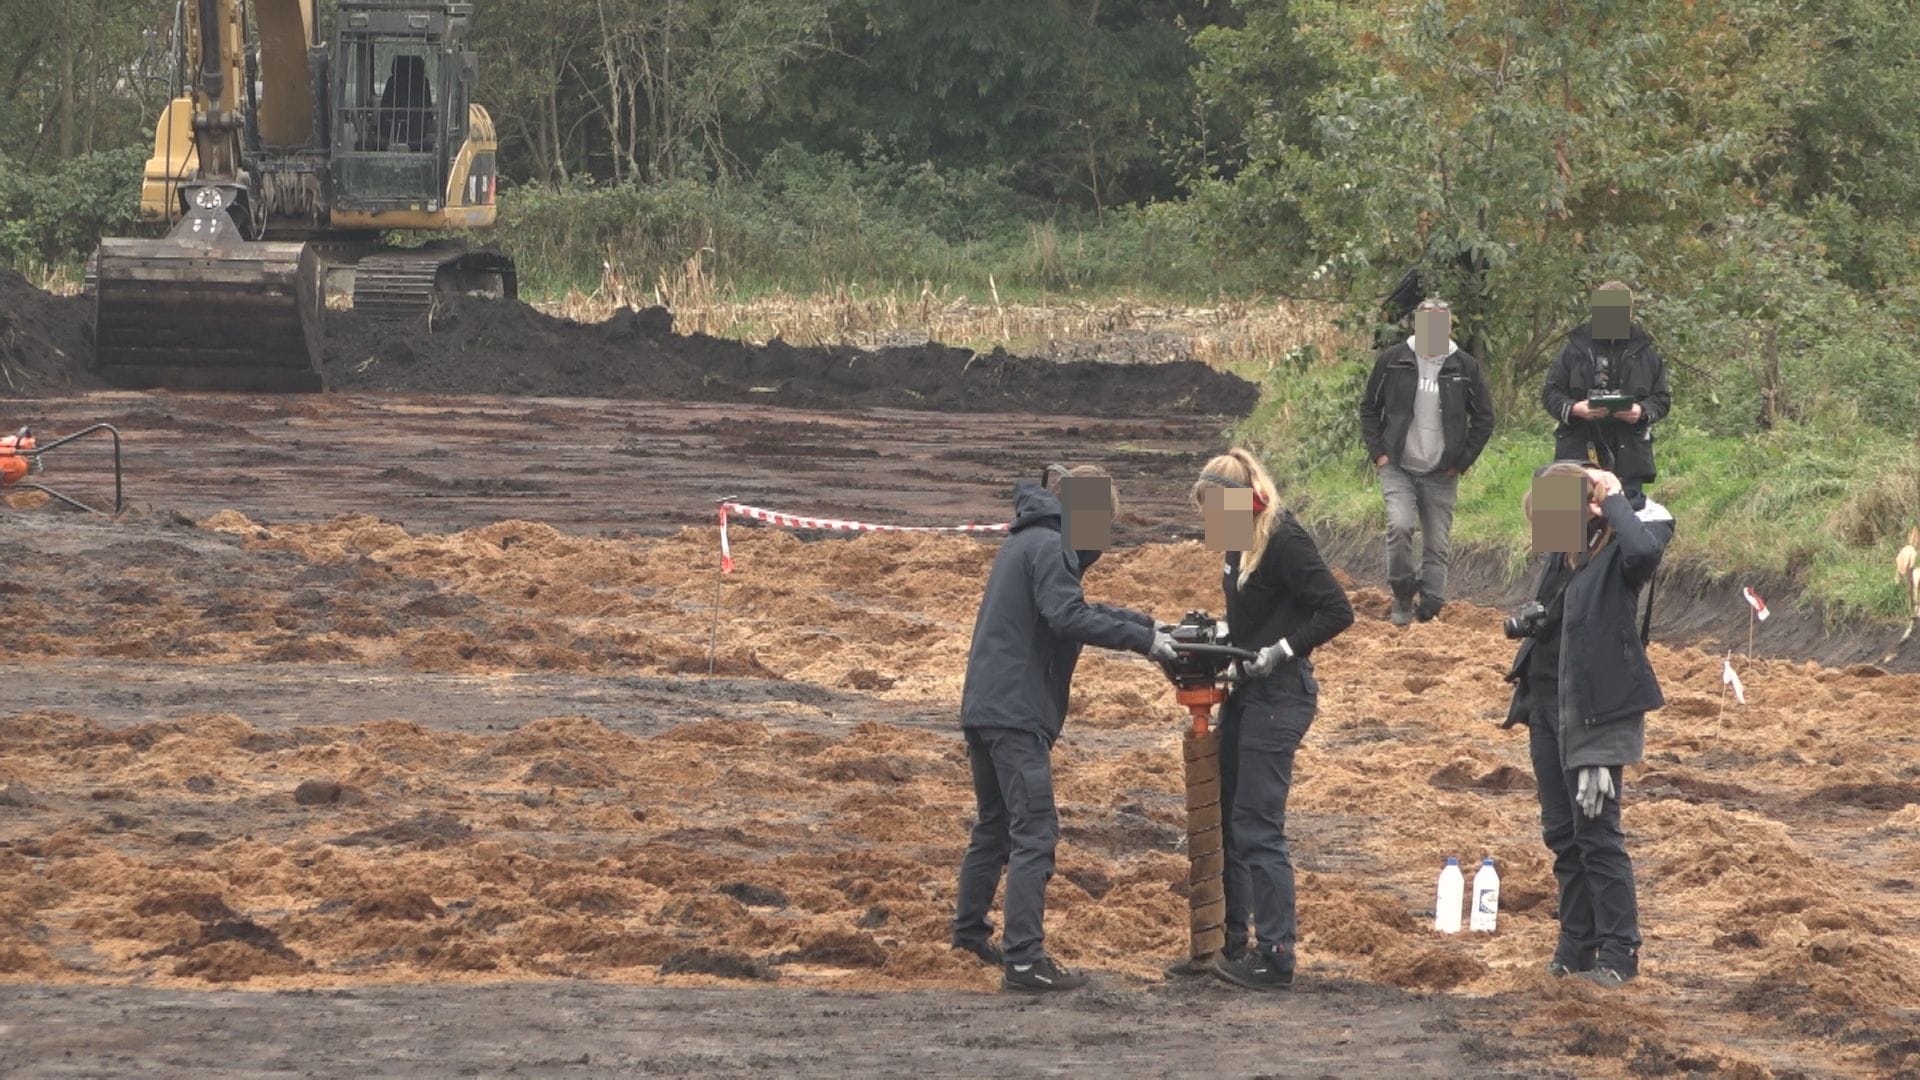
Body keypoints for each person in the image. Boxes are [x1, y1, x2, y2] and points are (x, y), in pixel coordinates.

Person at [950, 465, 1178, 993]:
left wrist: (1144, 624)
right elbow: (1067, 616)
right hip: (1016, 714)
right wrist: (1145, 644)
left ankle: (968, 938)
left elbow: (1075, 605)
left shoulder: (1026, 541)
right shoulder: (1050, 547)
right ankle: (1025, 958)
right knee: (1034, 831)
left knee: (995, 825)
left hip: (985, 707)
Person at [1502, 461, 1674, 987]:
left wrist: (1613, 493)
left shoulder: (1621, 550)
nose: (1545, 533)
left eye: (1554, 517)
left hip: (1594, 712)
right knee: (1562, 834)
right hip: (1547, 707)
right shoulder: (1564, 555)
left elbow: (1648, 546)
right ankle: (1575, 942)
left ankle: (1619, 951)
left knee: (1598, 834)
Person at [1189, 449, 1354, 991]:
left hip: (1281, 695)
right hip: (1247, 692)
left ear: (1244, 501)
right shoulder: (1238, 542)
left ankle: (1277, 955)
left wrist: (1280, 650)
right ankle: (1231, 944)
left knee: (1258, 827)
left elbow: (1336, 609)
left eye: (1216, 510)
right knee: (1231, 823)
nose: (1211, 523)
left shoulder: (1284, 539)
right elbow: (1250, 615)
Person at [1359, 298, 1497, 625]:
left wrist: (1461, 462)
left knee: (1437, 544)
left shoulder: (1464, 367)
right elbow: (1369, 408)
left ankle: (1431, 607)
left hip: (1441, 471)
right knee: (1399, 526)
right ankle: (1403, 594)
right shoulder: (1393, 361)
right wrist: (1379, 453)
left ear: (1449, 327)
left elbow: (1484, 418)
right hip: (1398, 465)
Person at [1542, 282, 1672, 494]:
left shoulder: (1645, 351)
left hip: (1628, 458)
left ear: (1629, 312)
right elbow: (1550, 394)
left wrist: (1641, 411)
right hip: (1575, 452)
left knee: (1625, 524)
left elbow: (1662, 399)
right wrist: (1576, 409)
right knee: (1561, 525)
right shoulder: (1575, 347)